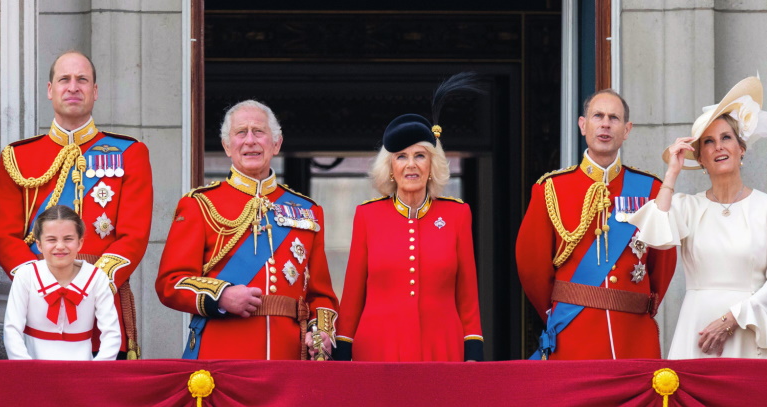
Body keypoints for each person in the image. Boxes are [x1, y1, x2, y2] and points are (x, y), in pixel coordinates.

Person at [0, 50, 152, 359]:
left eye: (82, 80)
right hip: (38, 307)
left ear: (95, 91)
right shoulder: (17, 157)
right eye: (64, 79)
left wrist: (89, 284)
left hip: (102, 304)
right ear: (50, 90)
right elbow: (5, 236)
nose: (73, 87)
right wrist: (43, 284)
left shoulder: (130, 153)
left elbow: (134, 236)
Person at [156, 100, 338, 360]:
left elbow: (321, 296)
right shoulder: (199, 204)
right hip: (222, 354)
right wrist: (221, 296)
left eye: (259, 132)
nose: (250, 140)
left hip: (287, 357)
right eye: (241, 132)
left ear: (276, 144)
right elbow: (170, 283)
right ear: (227, 146)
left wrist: (320, 332)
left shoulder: (308, 210)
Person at [628, 76, 767, 358]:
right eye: (708, 142)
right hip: (698, 331)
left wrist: (731, 320)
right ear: (700, 159)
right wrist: (672, 172)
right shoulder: (687, 206)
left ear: (741, 149)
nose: (718, 146)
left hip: (748, 330)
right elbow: (653, 236)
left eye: (726, 138)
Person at [516, 89, 677, 360]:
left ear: (626, 130)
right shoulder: (552, 188)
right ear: (583, 125)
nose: (605, 123)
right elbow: (531, 265)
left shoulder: (651, 189)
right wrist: (563, 308)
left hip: (633, 335)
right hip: (574, 332)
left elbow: (663, 262)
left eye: (614, 118)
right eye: (598, 116)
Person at [335, 75, 485, 362]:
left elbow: (467, 294)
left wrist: (473, 351)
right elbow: (353, 292)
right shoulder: (367, 215)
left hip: (443, 348)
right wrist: (343, 350)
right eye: (401, 157)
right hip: (377, 349)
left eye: (420, 155)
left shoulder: (456, 214)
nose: (411, 164)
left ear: (432, 164)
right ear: (390, 167)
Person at [3, 205, 120, 360]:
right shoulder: (26, 276)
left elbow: (112, 333)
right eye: (51, 239)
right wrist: (26, 368)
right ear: (39, 244)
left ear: (80, 243)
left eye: (68, 239)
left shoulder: (97, 277)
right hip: (33, 369)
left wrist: (96, 372)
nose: (60, 246)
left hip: (84, 372)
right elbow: (12, 330)